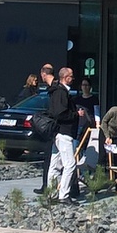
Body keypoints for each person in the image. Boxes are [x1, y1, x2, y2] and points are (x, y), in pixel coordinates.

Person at [47, 66, 80, 202]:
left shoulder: (56, 91)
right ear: (66, 78)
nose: (73, 78)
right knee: (70, 164)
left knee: (55, 164)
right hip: (64, 132)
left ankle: (51, 194)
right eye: (71, 76)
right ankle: (64, 195)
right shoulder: (61, 92)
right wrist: (76, 114)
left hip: (57, 132)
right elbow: (60, 114)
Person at [33, 63, 57, 195]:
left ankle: (47, 186)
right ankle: (46, 185)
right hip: (54, 128)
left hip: (54, 129)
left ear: (43, 74)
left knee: (52, 159)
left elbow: (55, 110)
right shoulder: (53, 88)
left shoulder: (55, 89)